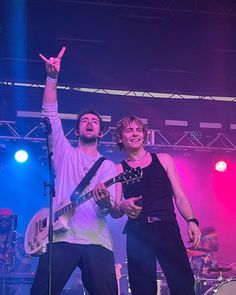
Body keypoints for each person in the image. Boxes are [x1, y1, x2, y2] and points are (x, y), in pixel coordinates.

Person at [30, 47, 118, 295]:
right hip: (60, 236)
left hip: (96, 240)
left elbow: (108, 211)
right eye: (84, 121)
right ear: (77, 131)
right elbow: (50, 115)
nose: (89, 122)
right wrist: (51, 78)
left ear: (100, 133)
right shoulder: (64, 153)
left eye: (95, 122)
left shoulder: (109, 167)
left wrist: (103, 203)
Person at [113, 115, 201, 295]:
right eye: (129, 130)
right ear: (121, 137)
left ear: (144, 135)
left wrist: (192, 220)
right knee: (142, 287)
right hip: (138, 231)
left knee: (182, 283)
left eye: (138, 129)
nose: (135, 134)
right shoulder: (118, 169)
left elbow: (180, 196)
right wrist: (123, 205)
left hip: (166, 226)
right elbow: (115, 209)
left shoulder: (163, 159)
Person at [0, 208, 31, 295]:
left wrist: (16, 270)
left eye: (6, 219)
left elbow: (27, 259)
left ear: (12, 221)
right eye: (1, 219)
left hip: (13, 284)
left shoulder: (20, 239)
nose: (3, 222)